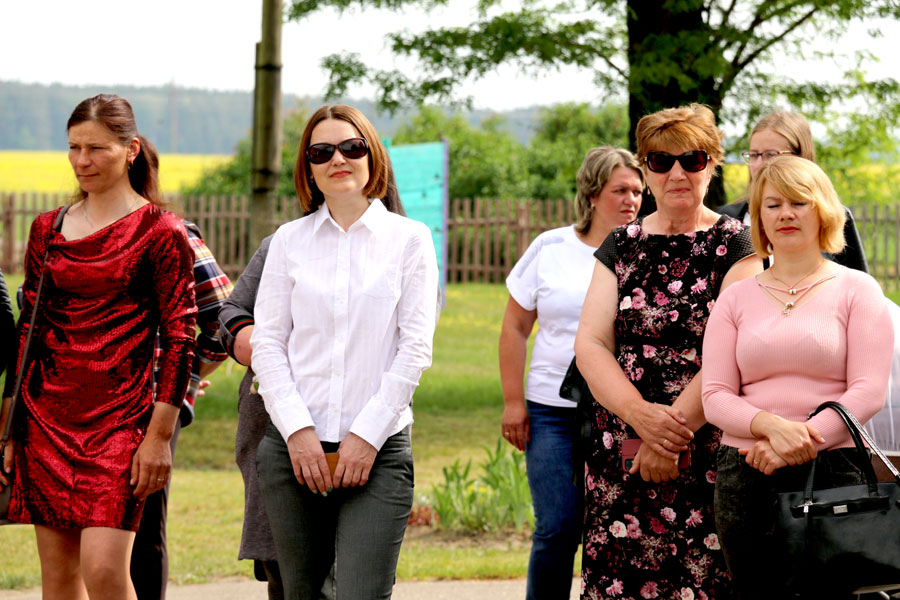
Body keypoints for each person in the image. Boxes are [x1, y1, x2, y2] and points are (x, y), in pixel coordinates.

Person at [0, 94, 196, 599]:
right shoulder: (47, 228)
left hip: (120, 424)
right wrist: (9, 426)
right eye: (73, 147)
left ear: (131, 150)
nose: (81, 160)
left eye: (96, 148)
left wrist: (159, 437)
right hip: (45, 418)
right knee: (59, 580)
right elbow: (28, 329)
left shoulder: (162, 231)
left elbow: (181, 338)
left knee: (105, 571)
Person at [251, 104, 439, 599]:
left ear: (372, 156)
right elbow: (267, 343)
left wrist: (366, 436)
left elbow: (415, 349)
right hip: (294, 451)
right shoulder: (288, 242)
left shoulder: (410, 240)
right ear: (308, 168)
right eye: (322, 152)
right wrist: (297, 431)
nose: (338, 159)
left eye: (352, 147)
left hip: (379, 450)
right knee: (301, 594)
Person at [574, 104, 761, 600]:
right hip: (622, 448)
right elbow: (591, 343)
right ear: (646, 169)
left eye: (692, 159)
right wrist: (641, 419)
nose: (677, 173)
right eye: (660, 161)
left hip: (707, 447)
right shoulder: (620, 244)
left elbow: (732, 352)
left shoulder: (738, 246)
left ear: (712, 165)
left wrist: (667, 438)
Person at [702, 156, 893, 600]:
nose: (785, 214)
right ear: (760, 219)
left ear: (822, 211)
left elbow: (868, 391)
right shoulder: (734, 299)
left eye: (798, 202)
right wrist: (773, 429)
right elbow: (715, 395)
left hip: (833, 468)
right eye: (772, 205)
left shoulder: (858, 290)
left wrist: (800, 440)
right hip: (746, 471)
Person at [499, 147, 643, 600]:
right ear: (592, 193)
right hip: (551, 412)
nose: (631, 200)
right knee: (558, 526)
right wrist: (513, 402)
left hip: (624, 414)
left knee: (624, 526)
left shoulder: (646, 249)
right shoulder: (551, 247)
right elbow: (514, 327)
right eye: (620, 190)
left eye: (637, 191)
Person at [131, 220, 232, 600]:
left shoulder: (173, 234)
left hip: (147, 410)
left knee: (141, 534)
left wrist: (182, 379)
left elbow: (224, 318)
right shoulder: (64, 229)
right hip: (67, 409)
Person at [218, 234, 285, 600]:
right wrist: (261, 347)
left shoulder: (398, 241)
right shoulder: (282, 242)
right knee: (284, 570)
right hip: (270, 422)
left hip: (356, 430)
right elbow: (231, 313)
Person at [718, 110, 868, 271]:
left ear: (801, 157)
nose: (759, 165)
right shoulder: (726, 219)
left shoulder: (832, 217)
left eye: (771, 154)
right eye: (754, 155)